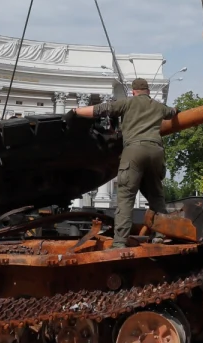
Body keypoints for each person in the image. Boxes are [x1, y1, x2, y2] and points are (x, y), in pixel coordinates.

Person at [72, 78, 177, 248]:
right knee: (156, 196)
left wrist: (76, 111)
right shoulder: (158, 106)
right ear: (148, 91)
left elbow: (102, 109)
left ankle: (120, 242)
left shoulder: (127, 103)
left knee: (126, 197)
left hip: (134, 150)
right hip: (156, 152)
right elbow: (172, 112)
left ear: (134, 92)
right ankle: (160, 235)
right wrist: (175, 110)